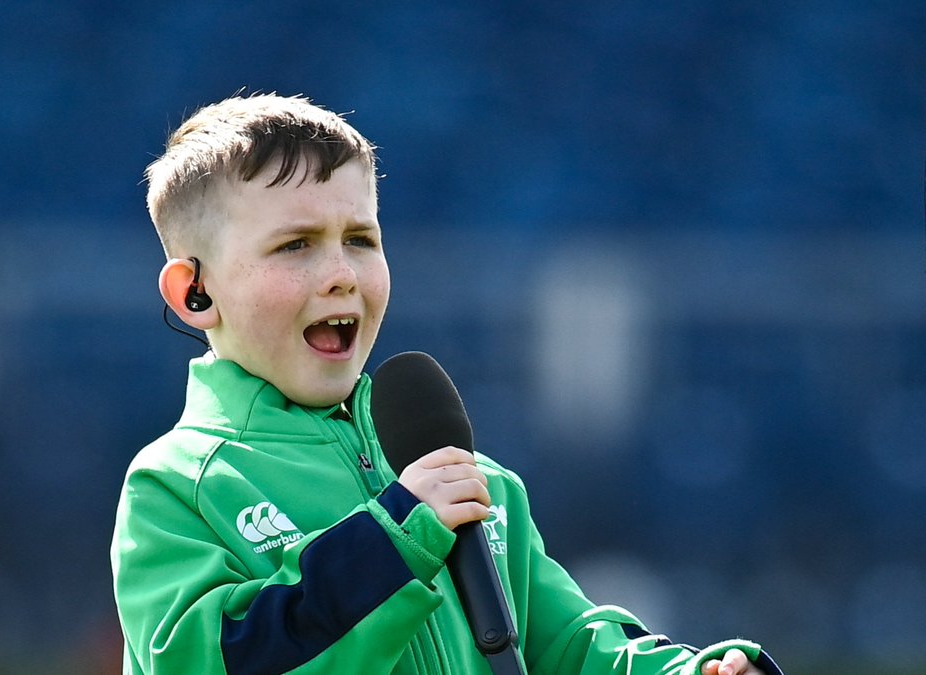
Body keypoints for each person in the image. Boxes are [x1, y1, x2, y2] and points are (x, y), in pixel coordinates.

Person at [111, 93, 779, 675]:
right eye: (296, 245)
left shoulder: (474, 486)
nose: (342, 272)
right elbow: (217, 660)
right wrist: (391, 538)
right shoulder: (176, 488)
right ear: (194, 291)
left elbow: (570, 649)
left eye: (361, 239)